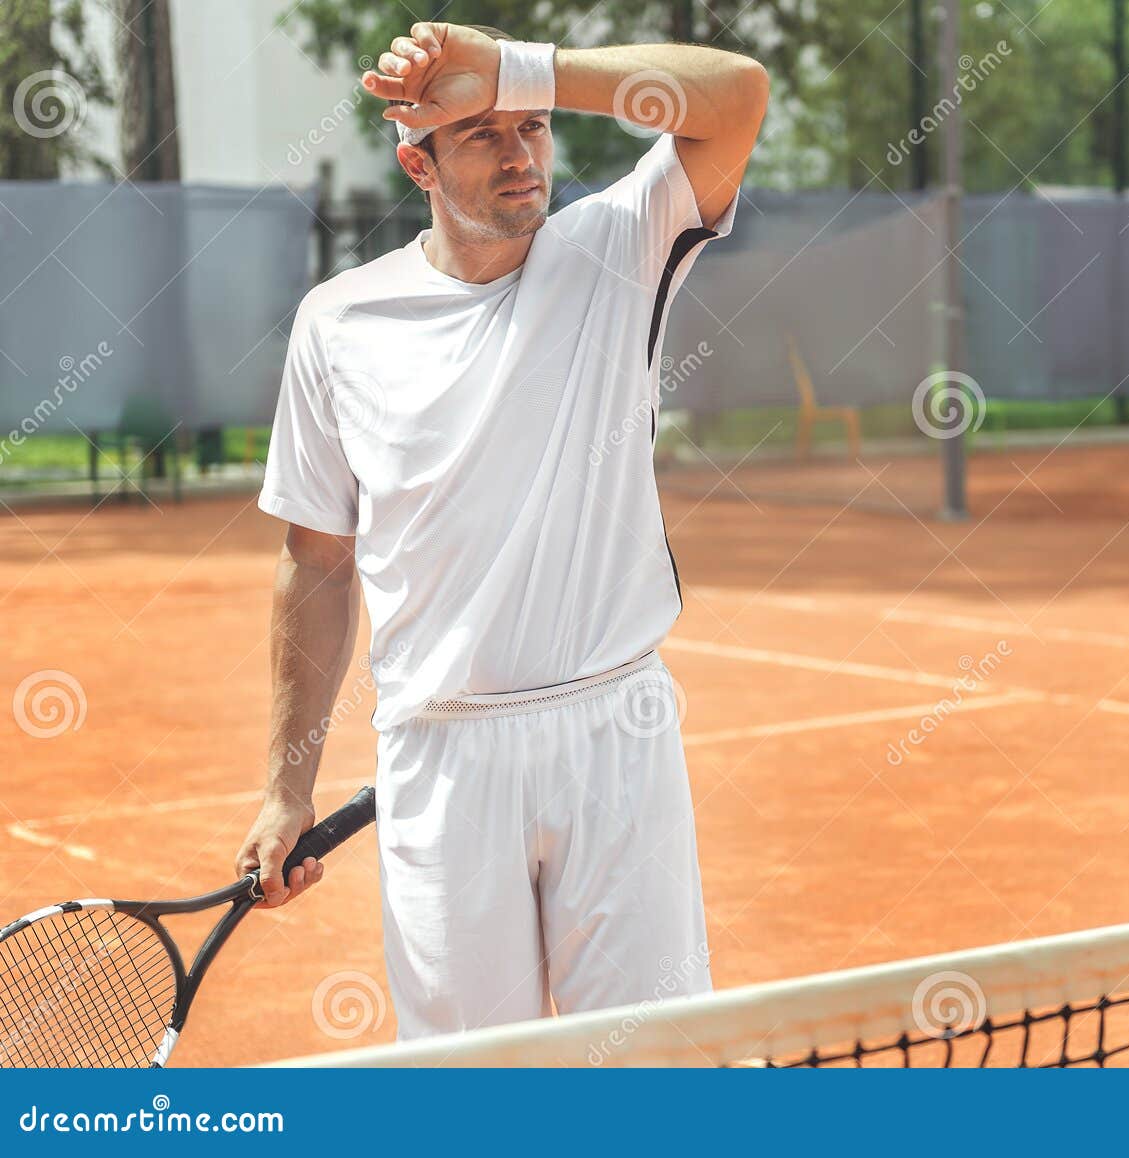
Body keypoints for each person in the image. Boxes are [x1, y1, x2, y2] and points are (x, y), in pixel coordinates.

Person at [236, 21, 767, 1039]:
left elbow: (736, 95)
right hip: (439, 761)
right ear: (417, 162)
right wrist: (285, 787)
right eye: (481, 134)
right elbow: (316, 561)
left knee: (652, 1073)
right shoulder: (339, 323)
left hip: (617, 735)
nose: (520, 153)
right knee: (469, 1092)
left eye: (532, 128)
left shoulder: (616, 247)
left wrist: (524, 70)